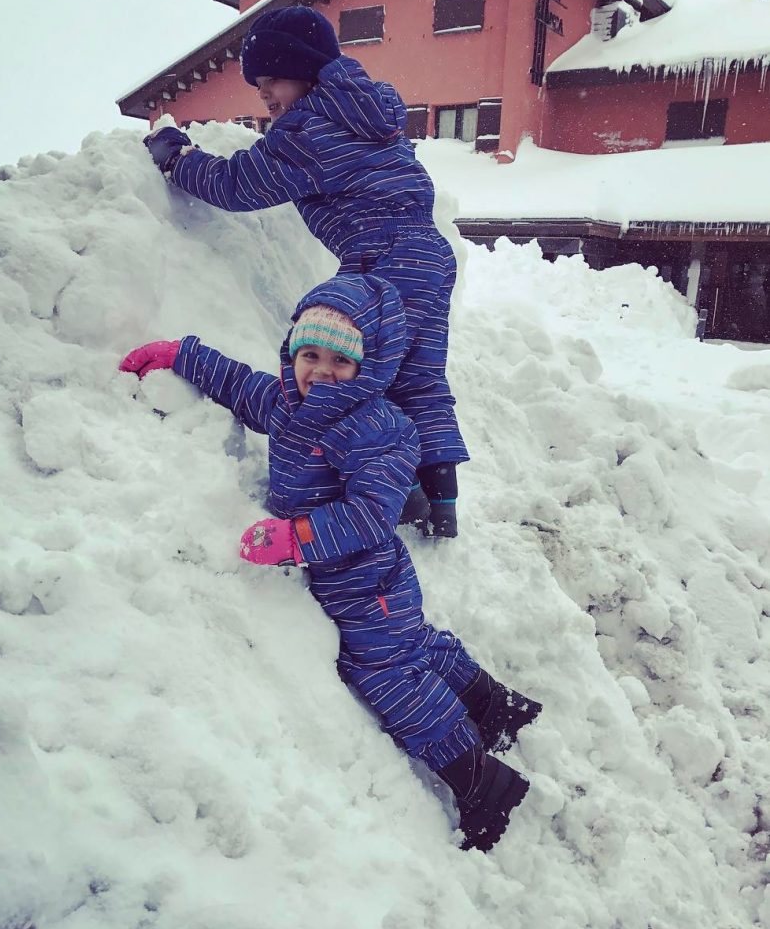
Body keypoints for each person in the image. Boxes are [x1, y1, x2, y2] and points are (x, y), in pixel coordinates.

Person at [119, 274, 540, 852]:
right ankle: (497, 707)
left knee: (387, 674)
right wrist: (181, 355)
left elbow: (371, 515)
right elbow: (239, 385)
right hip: (347, 578)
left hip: (368, 581)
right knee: (414, 646)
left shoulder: (377, 429)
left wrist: (297, 537)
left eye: (341, 360)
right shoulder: (287, 404)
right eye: (309, 355)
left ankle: (482, 784)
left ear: (369, 365)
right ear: (292, 353)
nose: (321, 371)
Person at [142, 6, 467, 537]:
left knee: (360, 376)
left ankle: (390, 490)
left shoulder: (308, 130)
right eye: (258, 85)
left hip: (380, 257)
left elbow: (236, 184)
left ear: (304, 69)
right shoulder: (365, 109)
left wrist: (178, 159)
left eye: (272, 79)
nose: (264, 94)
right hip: (428, 254)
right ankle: (442, 498)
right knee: (419, 375)